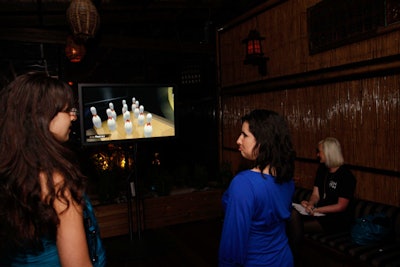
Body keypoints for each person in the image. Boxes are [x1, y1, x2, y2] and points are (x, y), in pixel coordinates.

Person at [0, 72, 106, 267]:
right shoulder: (56, 182)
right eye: (67, 110)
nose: (73, 117)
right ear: (42, 116)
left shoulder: (10, 172)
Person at [218, 109, 296, 267]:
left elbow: (233, 243)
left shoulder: (244, 184)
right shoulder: (287, 179)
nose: (238, 140)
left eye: (244, 135)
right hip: (283, 259)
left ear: (263, 141)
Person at [299, 137, 357, 233]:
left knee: (296, 227)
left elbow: (341, 206)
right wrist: (311, 204)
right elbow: (315, 194)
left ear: (329, 153)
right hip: (320, 214)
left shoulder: (346, 176)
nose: (317, 155)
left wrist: (317, 210)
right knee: (291, 220)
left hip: (337, 220)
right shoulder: (322, 169)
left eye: (319, 152)